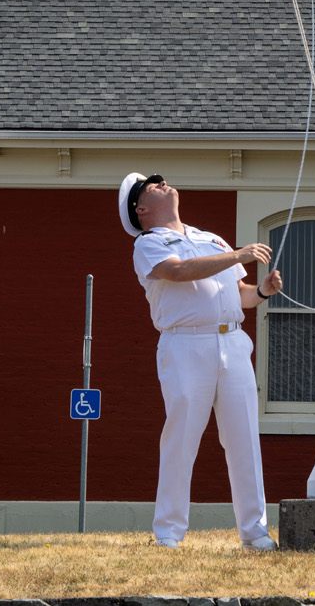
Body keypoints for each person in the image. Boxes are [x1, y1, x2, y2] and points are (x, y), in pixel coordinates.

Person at [118, 171, 282, 549]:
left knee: (244, 438)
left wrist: (262, 290)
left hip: (233, 341)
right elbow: (177, 272)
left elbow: (241, 295)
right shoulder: (148, 243)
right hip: (185, 345)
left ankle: (255, 533)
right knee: (182, 438)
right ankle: (169, 533)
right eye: (151, 185)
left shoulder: (210, 238)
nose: (163, 183)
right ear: (141, 208)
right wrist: (238, 254)